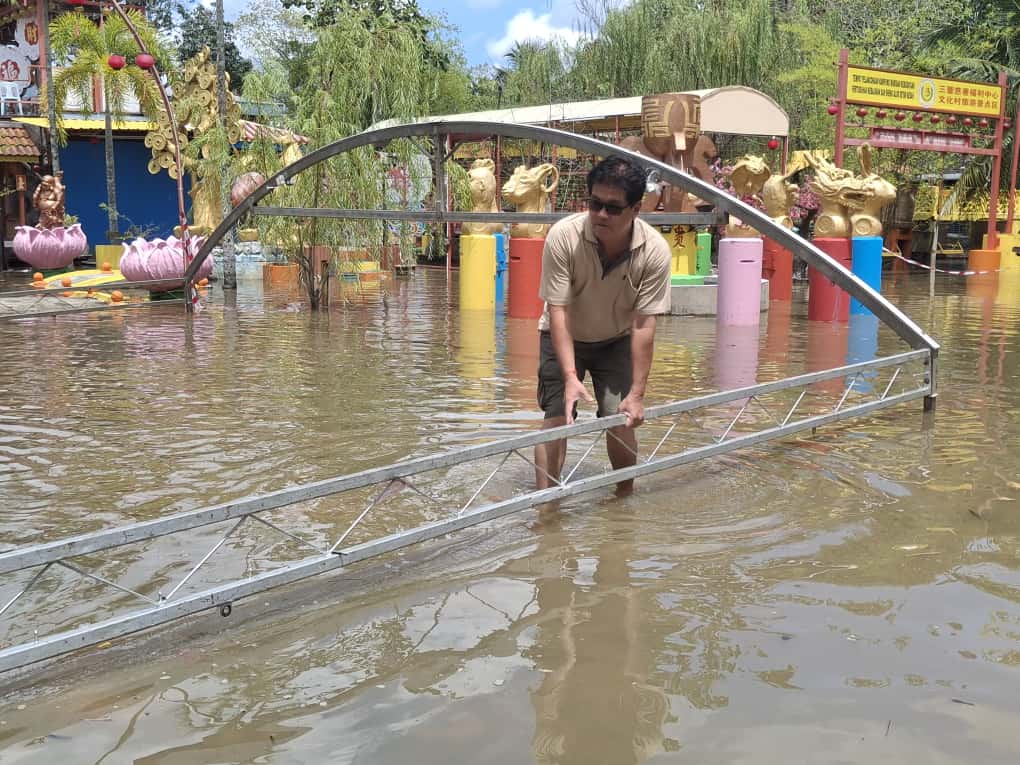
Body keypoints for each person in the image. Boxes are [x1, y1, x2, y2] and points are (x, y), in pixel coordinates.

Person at [535, 155, 671, 495]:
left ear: (636, 209)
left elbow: (643, 324)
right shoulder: (563, 236)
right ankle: (545, 510)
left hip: (617, 339)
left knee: (620, 418)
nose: (601, 215)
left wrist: (637, 395)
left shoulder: (654, 251)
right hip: (563, 333)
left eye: (613, 208)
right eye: (595, 204)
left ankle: (623, 503)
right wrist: (569, 377)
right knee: (556, 420)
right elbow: (558, 309)